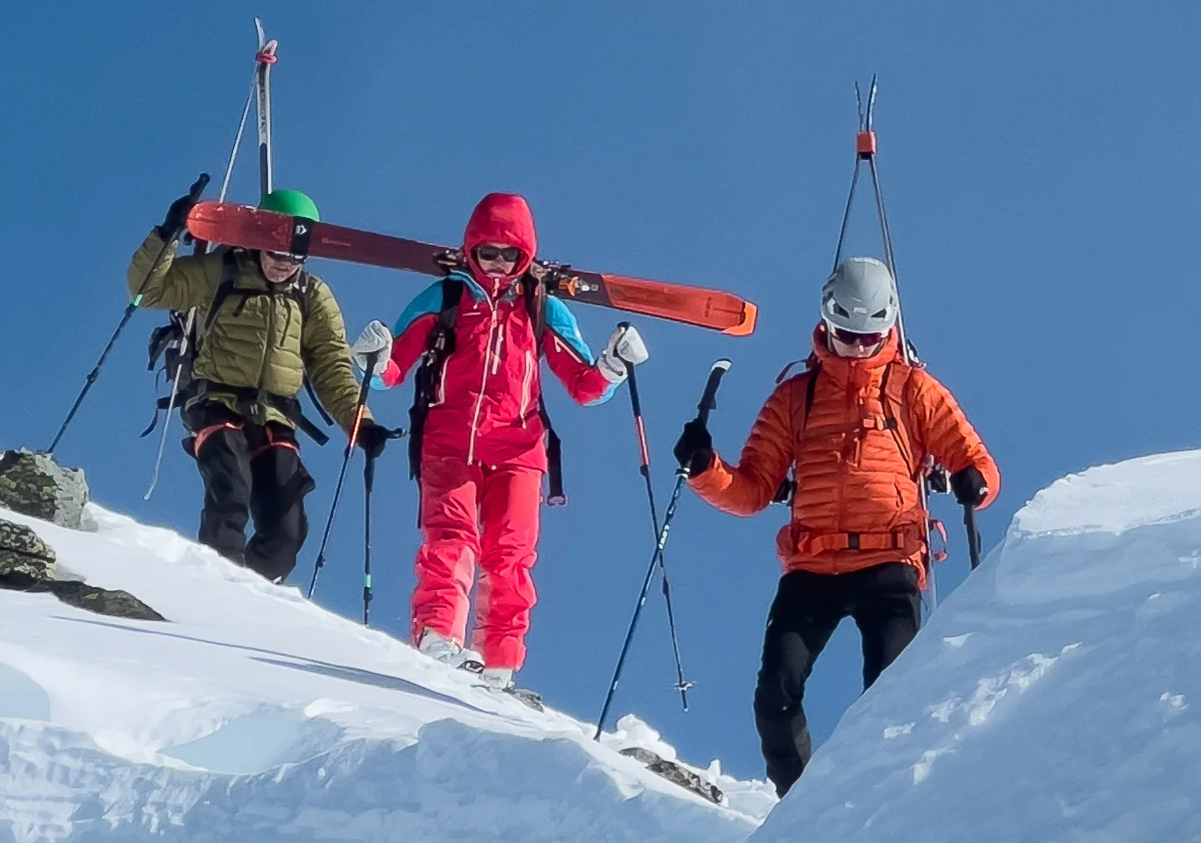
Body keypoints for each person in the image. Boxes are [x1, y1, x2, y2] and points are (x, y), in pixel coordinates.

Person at [672, 256, 1000, 795]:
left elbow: (978, 463)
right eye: (848, 335)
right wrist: (705, 469)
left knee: (891, 701)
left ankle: (883, 808)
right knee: (774, 697)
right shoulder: (794, 397)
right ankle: (803, 814)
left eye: (871, 337)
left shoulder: (914, 389)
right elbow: (752, 490)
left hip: (890, 563)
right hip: (812, 568)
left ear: (889, 328)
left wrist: (975, 482)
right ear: (827, 321)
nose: (859, 347)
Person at [376, 192, 648, 690]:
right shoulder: (445, 297)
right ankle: (438, 634)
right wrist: (373, 362)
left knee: (512, 553)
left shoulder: (541, 306)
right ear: (471, 250)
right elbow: (393, 368)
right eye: (488, 252)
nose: (498, 263)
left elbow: (584, 386)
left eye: (509, 254)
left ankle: (499, 662)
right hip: (450, 442)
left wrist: (613, 365)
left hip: (520, 450)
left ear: (525, 256)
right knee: (450, 539)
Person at [130, 187, 391, 582]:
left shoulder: (311, 296)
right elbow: (148, 290)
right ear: (257, 241)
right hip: (215, 402)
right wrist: (166, 236)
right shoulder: (222, 270)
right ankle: (215, 585)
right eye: (276, 253)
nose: (284, 264)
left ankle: (252, 593)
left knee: (287, 530)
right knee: (230, 493)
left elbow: (332, 367)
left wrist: (361, 424)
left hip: (275, 417)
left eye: (295, 257)